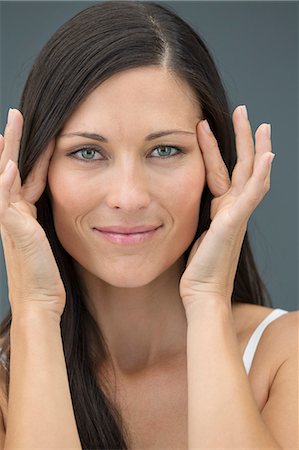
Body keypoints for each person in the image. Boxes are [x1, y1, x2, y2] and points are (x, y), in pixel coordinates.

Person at [0, 1, 297, 449]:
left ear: (216, 165)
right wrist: (36, 309)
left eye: (164, 151)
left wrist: (207, 301)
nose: (129, 197)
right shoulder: (7, 381)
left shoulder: (283, 356)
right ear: (34, 171)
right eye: (87, 152)